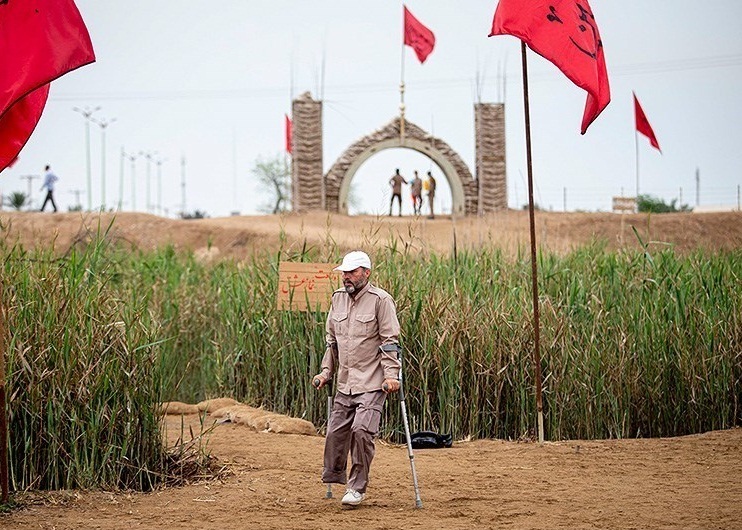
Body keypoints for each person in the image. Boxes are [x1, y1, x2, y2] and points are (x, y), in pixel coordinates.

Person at [312, 250, 401, 507]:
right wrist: (325, 372)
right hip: (345, 382)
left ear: (366, 273)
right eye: (344, 273)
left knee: (361, 431)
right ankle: (335, 475)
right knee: (335, 433)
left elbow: (390, 343)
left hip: (373, 382)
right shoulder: (337, 299)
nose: (346, 277)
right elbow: (332, 343)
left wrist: (392, 376)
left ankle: (357, 487)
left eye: (351, 272)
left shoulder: (381, 300)